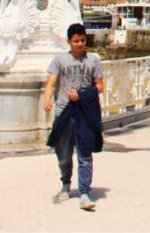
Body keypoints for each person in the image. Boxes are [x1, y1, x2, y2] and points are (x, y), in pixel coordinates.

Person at [44, 23, 105, 211]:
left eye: (83, 40)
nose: (80, 44)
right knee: (63, 154)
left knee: (84, 154)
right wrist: (47, 98)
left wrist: (82, 94)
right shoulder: (60, 60)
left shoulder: (93, 60)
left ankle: (84, 192)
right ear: (69, 41)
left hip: (84, 113)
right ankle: (65, 183)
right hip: (64, 111)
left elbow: (100, 86)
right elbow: (51, 82)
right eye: (76, 41)